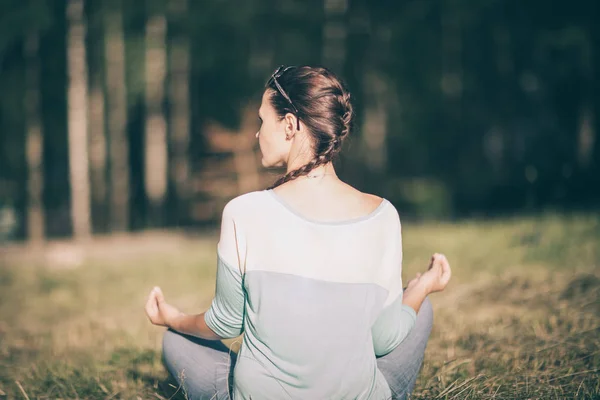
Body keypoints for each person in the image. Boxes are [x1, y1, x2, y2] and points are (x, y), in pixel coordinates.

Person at [145, 65, 451, 400]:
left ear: (289, 125)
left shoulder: (243, 212)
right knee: (419, 308)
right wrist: (422, 287)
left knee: (177, 338)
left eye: (262, 121)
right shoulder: (383, 216)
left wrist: (170, 316)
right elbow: (384, 339)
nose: (257, 134)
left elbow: (226, 324)